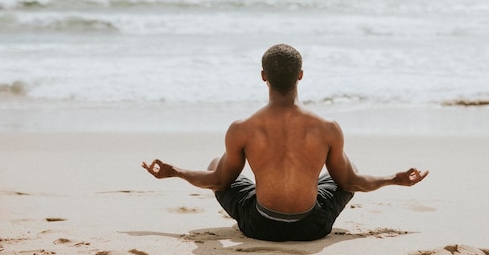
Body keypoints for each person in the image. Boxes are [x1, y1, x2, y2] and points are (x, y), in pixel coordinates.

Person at [143, 44, 428, 242]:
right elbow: (352, 183)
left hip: (261, 227)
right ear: (300, 76)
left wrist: (176, 172)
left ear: (263, 76)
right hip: (312, 228)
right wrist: (395, 178)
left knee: (218, 165)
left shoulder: (243, 128)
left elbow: (218, 182)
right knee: (344, 172)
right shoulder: (327, 128)